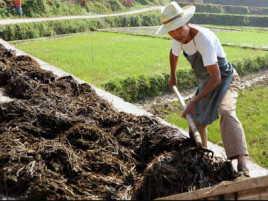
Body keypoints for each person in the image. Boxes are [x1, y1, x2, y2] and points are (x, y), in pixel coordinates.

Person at [156, 2, 249, 177]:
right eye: (172, 31)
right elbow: (173, 53)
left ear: (187, 23)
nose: (176, 34)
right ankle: (204, 160)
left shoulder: (203, 39)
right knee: (196, 122)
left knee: (226, 111)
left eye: (178, 29)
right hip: (208, 82)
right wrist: (173, 75)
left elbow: (216, 78)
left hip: (226, 78)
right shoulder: (178, 39)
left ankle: (242, 163)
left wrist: (194, 101)